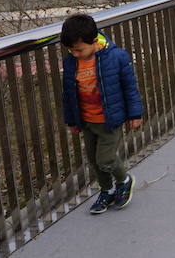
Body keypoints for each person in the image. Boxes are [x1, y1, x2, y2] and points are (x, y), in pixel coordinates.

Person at [61, 14, 143, 214]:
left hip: (109, 119)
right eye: (71, 49)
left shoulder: (115, 57)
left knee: (105, 159)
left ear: (94, 41)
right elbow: (68, 93)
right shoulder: (72, 62)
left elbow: (129, 88)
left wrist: (135, 114)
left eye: (79, 49)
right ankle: (107, 190)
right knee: (94, 160)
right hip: (86, 120)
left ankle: (124, 181)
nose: (75, 53)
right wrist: (71, 120)